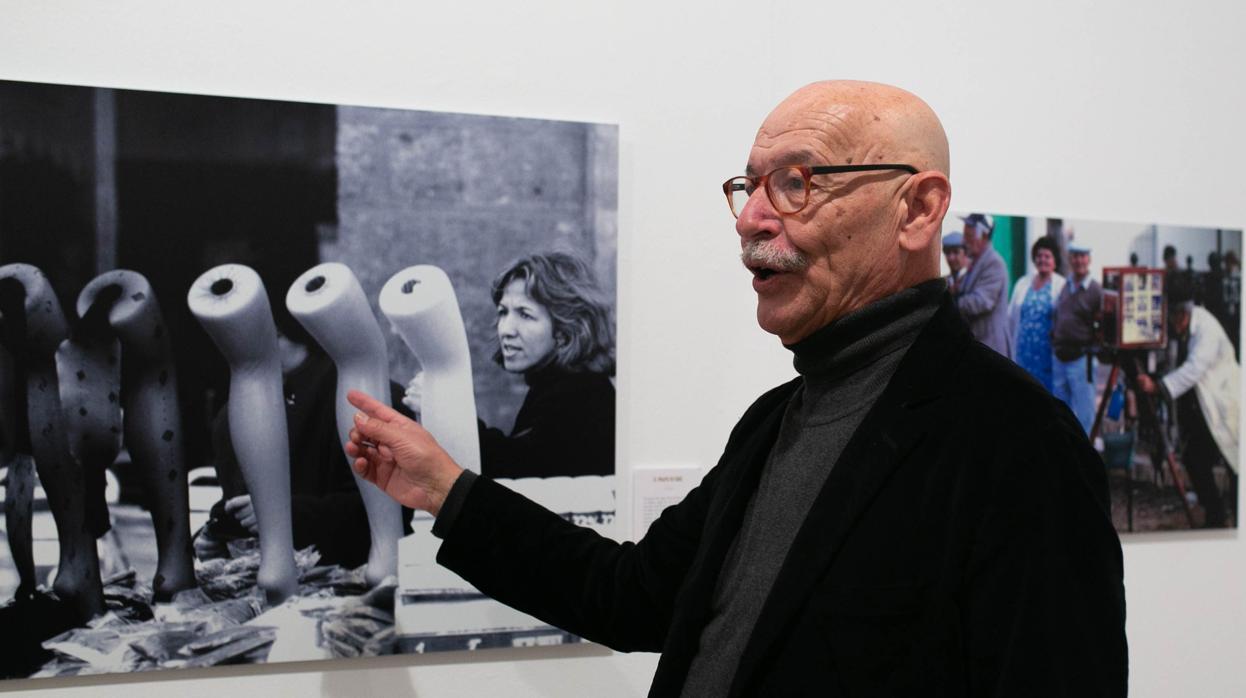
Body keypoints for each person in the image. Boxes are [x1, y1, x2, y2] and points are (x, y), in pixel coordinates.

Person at [345, 81, 1127, 696]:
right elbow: (632, 594)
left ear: (917, 210)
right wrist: (447, 490)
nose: (751, 217)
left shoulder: (1017, 445)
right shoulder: (776, 422)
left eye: (796, 183)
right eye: (748, 186)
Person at [195, 329, 413, 567]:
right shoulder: (233, 414)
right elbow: (236, 500)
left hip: (355, 573)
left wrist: (286, 515)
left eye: (274, 334)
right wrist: (214, 536)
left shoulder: (372, 398)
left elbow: (390, 512)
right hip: (260, 580)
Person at [476, 252, 615, 479]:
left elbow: (517, 472)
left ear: (565, 329)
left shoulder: (581, 397)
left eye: (525, 314)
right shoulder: (556, 386)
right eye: (503, 312)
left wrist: (452, 416)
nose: (505, 330)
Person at [1137, 290, 1240, 528]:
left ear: (1182, 314)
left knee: (1234, 462)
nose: (1172, 326)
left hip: (1223, 402)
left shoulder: (1206, 329)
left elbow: (1193, 369)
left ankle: (1232, 517)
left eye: (1172, 319)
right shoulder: (1186, 326)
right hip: (1202, 407)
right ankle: (1215, 513)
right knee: (1194, 460)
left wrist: (1158, 386)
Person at [1051, 244, 1103, 433]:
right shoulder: (1067, 284)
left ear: (1089, 260)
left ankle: (1086, 456)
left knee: (1084, 414)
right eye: (1075, 256)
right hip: (1060, 358)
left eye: (1083, 256)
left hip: (1081, 361)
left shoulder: (1096, 290)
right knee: (1061, 413)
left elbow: (1102, 325)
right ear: (1070, 259)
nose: (1079, 261)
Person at [1007, 237, 1066, 391]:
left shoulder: (1061, 285)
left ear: (1055, 261)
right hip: (1023, 351)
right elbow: (1011, 317)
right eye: (1039, 256)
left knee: (1047, 395)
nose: (1042, 260)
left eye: (1047, 256)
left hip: (1047, 355)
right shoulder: (1023, 283)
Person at [956, 213, 1011, 355]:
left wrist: (953, 303)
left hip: (991, 347)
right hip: (980, 345)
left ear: (983, 236)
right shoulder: (975, 262)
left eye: (968, 236)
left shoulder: (994, 263)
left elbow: (981, 302)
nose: (964, 241)